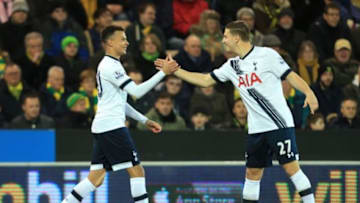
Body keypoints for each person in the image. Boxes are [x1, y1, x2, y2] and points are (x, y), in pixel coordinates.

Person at [156, 20, 318, 203]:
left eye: (225, 36)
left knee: (291, 168)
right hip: (256, 129)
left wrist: (309, 92)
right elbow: (205, 80)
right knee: (252, 172)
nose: (223, 40)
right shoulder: (231, 65)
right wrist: (175, 71)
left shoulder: (267, 55)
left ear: (236, 37)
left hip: (278, 123)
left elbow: (290, 75)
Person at [61, 25, 178, 203]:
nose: (127, 42)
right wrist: (163, 73)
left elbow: (119, 102)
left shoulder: (112, 65)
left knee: (96, 179)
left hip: (103, 126)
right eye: (122, 39)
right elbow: (136, 92)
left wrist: (144, 120)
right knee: (137, 171)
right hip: (112, 127)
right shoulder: (110, 66)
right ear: (109, 42)